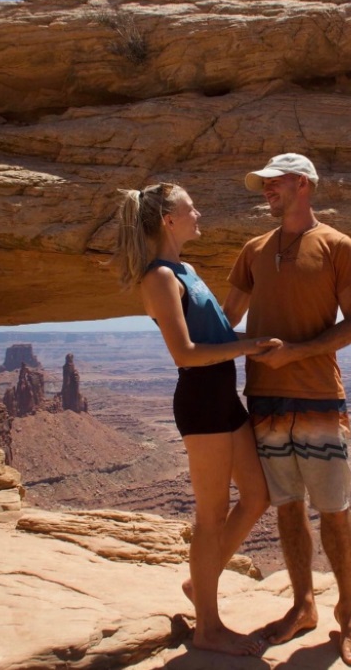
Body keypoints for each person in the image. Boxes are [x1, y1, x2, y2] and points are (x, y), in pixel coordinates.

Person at [116, 181, 279, 656]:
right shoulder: (159, 277)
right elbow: (185, 354)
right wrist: (247, 346)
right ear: (169, 219)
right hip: (201, 402)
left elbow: (218, 331)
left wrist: (257, 334)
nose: (199, 212)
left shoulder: (185, 269)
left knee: (256, 496)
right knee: (210, 518)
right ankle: (208, 627)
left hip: (223, 396)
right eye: (191, 207)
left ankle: (199, 582)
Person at [223, 153, 351, 667]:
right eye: (262, 183)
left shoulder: (337, 246)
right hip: (262, 397)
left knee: (333, 508)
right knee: (287, 506)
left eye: (274, 182)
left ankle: (348, 616)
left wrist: (295, 352)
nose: (265, 189)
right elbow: (228, 317)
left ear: (303, 184)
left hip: (316, 395)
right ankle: (303, 606)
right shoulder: (254, 249)